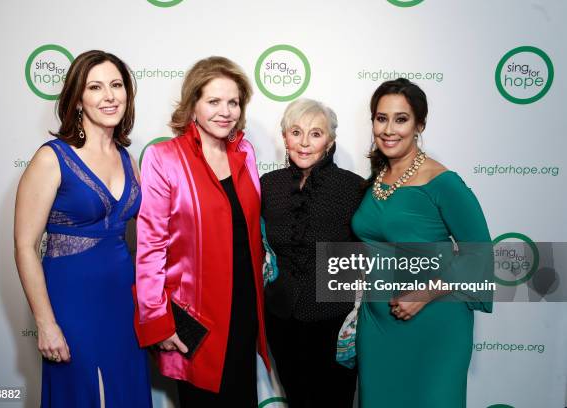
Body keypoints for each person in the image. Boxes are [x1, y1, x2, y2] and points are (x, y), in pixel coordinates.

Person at [14, 50, 151, 407]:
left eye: (117, 85)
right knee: (78, 395)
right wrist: (45, 323)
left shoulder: (128, 158)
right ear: (77, 100)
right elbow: (25, 246)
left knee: (128, 392)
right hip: (71, 301)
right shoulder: (52, 157)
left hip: (124, 299)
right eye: (96, 87)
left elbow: (146, 240)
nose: (109, 96)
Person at [134, 56, 270, 407]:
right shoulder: (164, 158)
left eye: (233, 102)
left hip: (244, 311)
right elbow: (150, 247)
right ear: (192, 105)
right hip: (196, 320)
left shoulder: (245, 153)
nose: (226, 112)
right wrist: (157, 320)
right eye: (213, 101)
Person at [350, 78, 493, 407]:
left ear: (420, 125)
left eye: (401, 119)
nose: (389, 129)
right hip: (377, 325)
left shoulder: (442, 182)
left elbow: (480, 254)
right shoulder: (378, 178)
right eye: (381, 118)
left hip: (434, 323)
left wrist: (425, 294)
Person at [260, 98, 365, 407]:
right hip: (282, 319)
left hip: (334, 323)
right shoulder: (268, 185)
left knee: (336, 400)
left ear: (330, 141)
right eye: (296, 132)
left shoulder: (353, 188)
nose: (304, 143)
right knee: (297, 397)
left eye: (316, 134)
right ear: (285, 138)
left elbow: (370, 250)